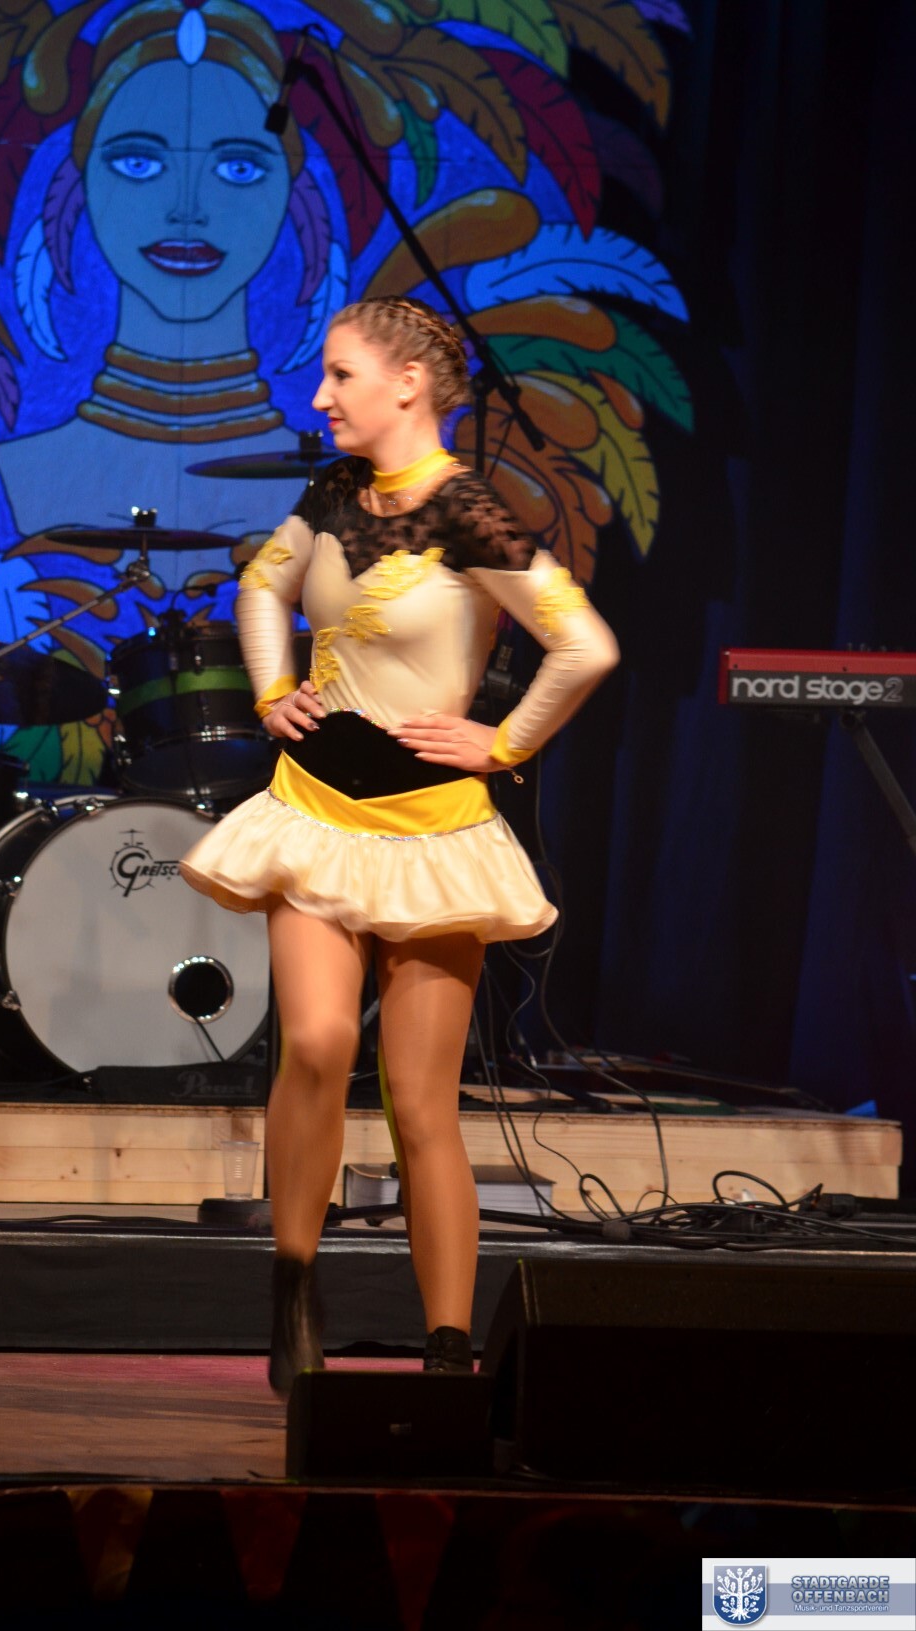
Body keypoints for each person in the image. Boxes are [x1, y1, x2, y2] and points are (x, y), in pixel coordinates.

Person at [180, 295, 619, 1392]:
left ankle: (448, 1344)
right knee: (319, 1041)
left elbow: (584, 644)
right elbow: (262, 584)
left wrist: (505, 742)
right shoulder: (335, 492)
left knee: (421, 1102)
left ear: (408, 384)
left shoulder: (471, 512)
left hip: (431, 836)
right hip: (316, 816)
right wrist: (273, 687)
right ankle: (294, 1289)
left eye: (340, 375)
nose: (320, 396)